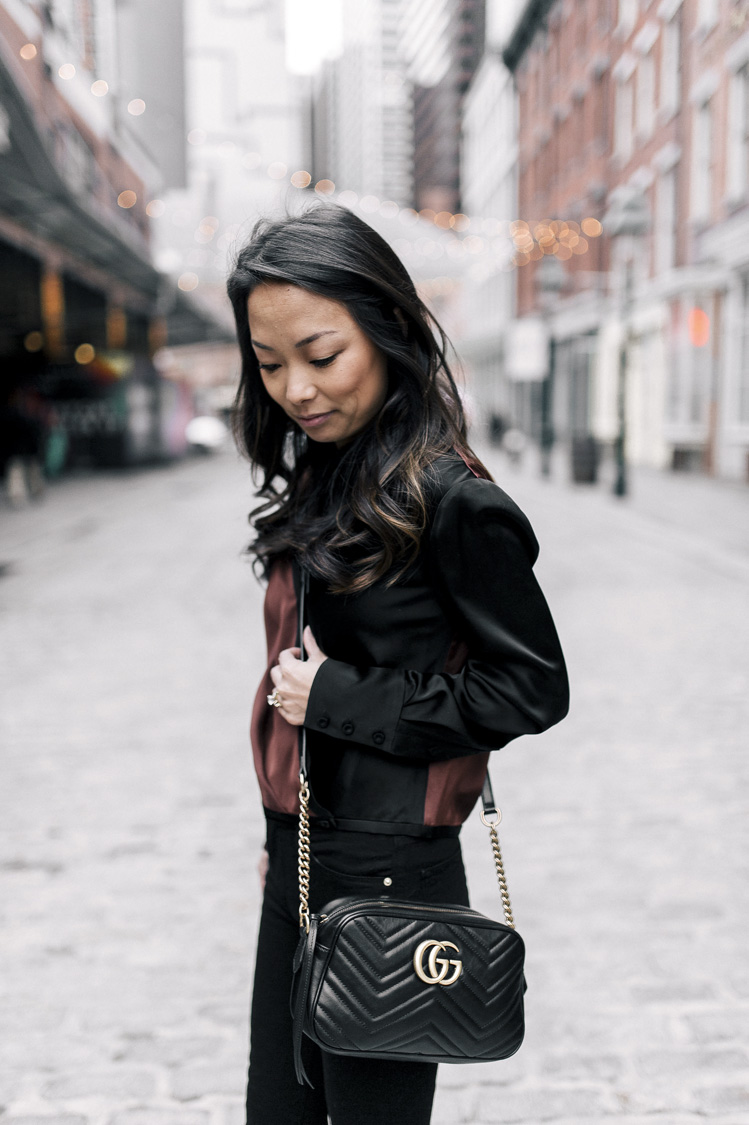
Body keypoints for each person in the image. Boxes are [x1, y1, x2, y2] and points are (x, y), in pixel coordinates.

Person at [226, 203, 569, 1125]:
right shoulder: (325, 472)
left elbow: (532, 686)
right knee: (277, 1112)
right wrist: (281, 823)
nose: (295, 386)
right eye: (268, 363)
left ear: (386, 330)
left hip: (388, 870)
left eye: (320, 353)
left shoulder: (453, 498)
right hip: (299, 854)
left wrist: (335, 694)